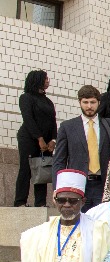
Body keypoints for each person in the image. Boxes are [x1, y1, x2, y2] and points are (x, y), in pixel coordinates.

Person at [53, 85, 110, 209]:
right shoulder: (67, 127)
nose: (89, 106)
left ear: (99, 103)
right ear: (79, 102)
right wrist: (57, 188)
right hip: (77, 184)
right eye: (85, 102)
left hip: (104, 184)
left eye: (92, 102)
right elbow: (59, 161)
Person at [15, 70, 57, 208]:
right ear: (37, 80)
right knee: (26, 169)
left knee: (42, 169)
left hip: (46, 142)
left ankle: (40, 203)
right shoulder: (26, 98)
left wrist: (53, 140)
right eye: (45, 79)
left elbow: (52, 121)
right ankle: (20, 201)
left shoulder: (48, 101)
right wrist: (39, 138)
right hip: (29, 138)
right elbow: (28, 119)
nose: (47, 81)